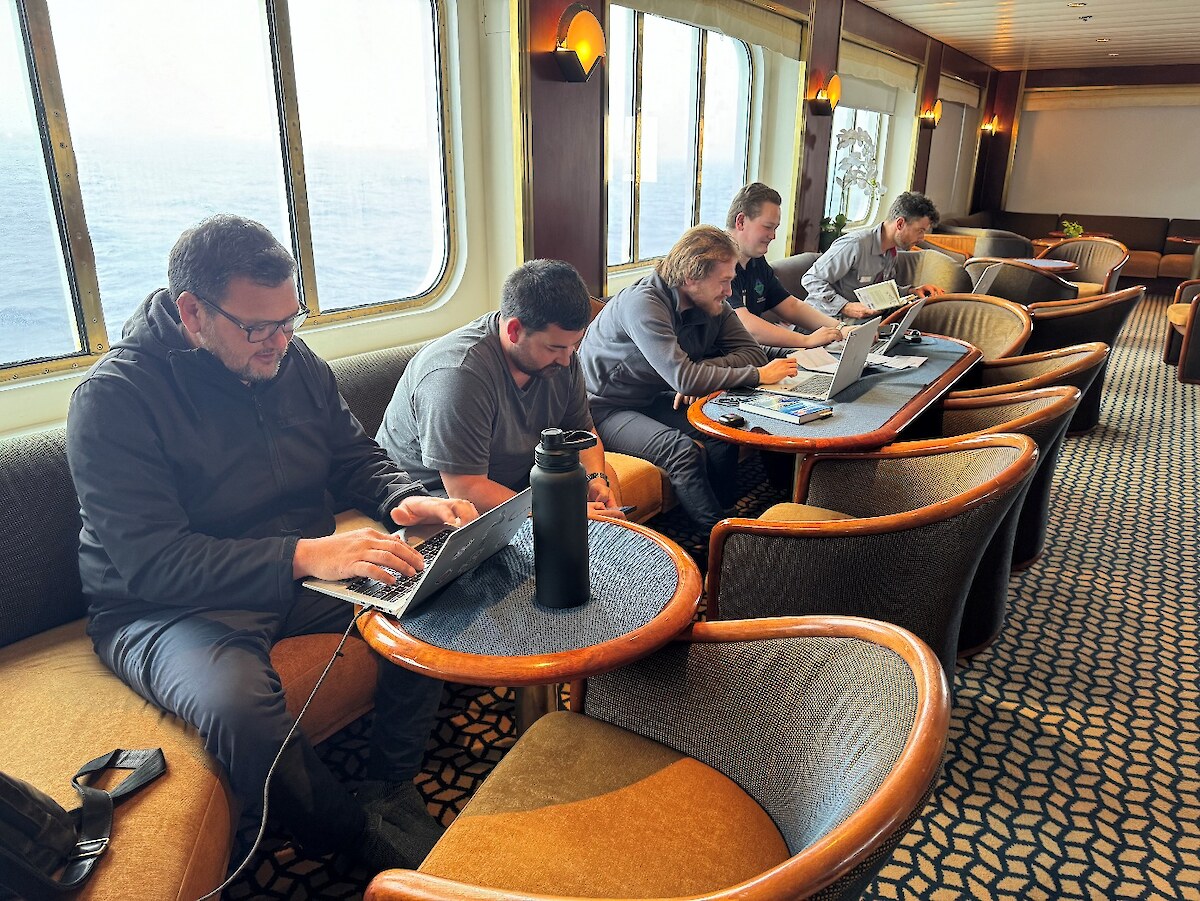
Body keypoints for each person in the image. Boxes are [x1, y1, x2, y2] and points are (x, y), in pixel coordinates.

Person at [65, 214, 478, 872]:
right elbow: (154, 562)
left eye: (291, 320)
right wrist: (306, 555)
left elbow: (351, 454)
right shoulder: (113, 400)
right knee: (240, 709)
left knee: (430, 589)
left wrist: (401, 495)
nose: (279, 342)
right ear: (192, 312)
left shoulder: (290, 357)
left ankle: (391, 786)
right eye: (258, 327)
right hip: (165, 605)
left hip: (294, 568)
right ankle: (349, 840)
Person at [578, 225, 798, 534]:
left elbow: (751, 353)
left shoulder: (712, 303)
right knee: (681, 451)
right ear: (691, 277)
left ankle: (728, 514)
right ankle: (719, 539)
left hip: (651, 396)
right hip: (604, 408)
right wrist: (752, 376)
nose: (729, 292)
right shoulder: (643, 303)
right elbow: (687, 377)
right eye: (724, 282)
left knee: (724, 426)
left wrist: (702, 371)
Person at [376, 259, 623, 516]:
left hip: (515, 479)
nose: (566, 359)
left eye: (574, 345)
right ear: (514, 330)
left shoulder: (563, 357)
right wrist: (562, 514)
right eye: (554, 348)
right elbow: (466, 488)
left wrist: (595, 479)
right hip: (435, 498)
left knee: (607, 487)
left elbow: (583, 433)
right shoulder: (458, 375)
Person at [725, 182, 846, 352]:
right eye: (767, 227)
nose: (773, 236)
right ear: (741, 221)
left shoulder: (756, 261)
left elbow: (790, 306)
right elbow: (745, 325)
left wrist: (841, 329)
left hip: (750, 350)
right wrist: (806, 341)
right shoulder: (718, 265)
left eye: (775, 228)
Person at [802, 191, 945, 319]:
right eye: (920, 230)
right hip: (821, 322)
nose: (922, 238)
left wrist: (911, 291)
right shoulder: (855, 244)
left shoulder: (891, 251)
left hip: (856, 325)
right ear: (900, 223)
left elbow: (878, 291)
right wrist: (845, 307)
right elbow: (811, 279)